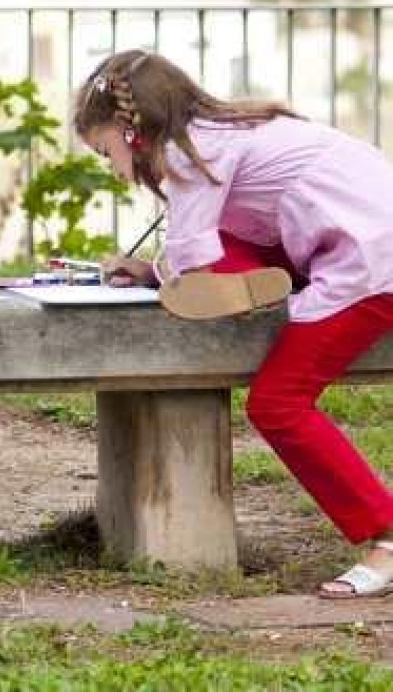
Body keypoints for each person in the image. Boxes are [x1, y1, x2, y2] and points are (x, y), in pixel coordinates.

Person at [74, 49, 393, 599]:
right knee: (212, 248)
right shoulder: (229, 129)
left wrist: (170, 272)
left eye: (105, 151)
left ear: (130, 133)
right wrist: (157, 270)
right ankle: (260, 280)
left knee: (277, 404)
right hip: (351, 236)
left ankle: (386, 537)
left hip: (367, 264)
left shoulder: (185, 155)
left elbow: (192, 248)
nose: (111, 166)